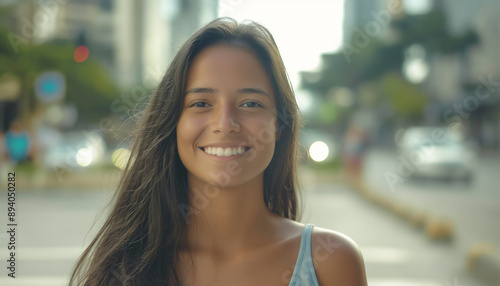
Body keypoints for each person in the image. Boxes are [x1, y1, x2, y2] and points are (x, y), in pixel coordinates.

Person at [70, 17, 368, 286]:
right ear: (173, 121)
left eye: (250, 104)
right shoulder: (126, 267)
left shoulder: (330, 263)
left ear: (279, 125)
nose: (225, 125)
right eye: (201, 103)